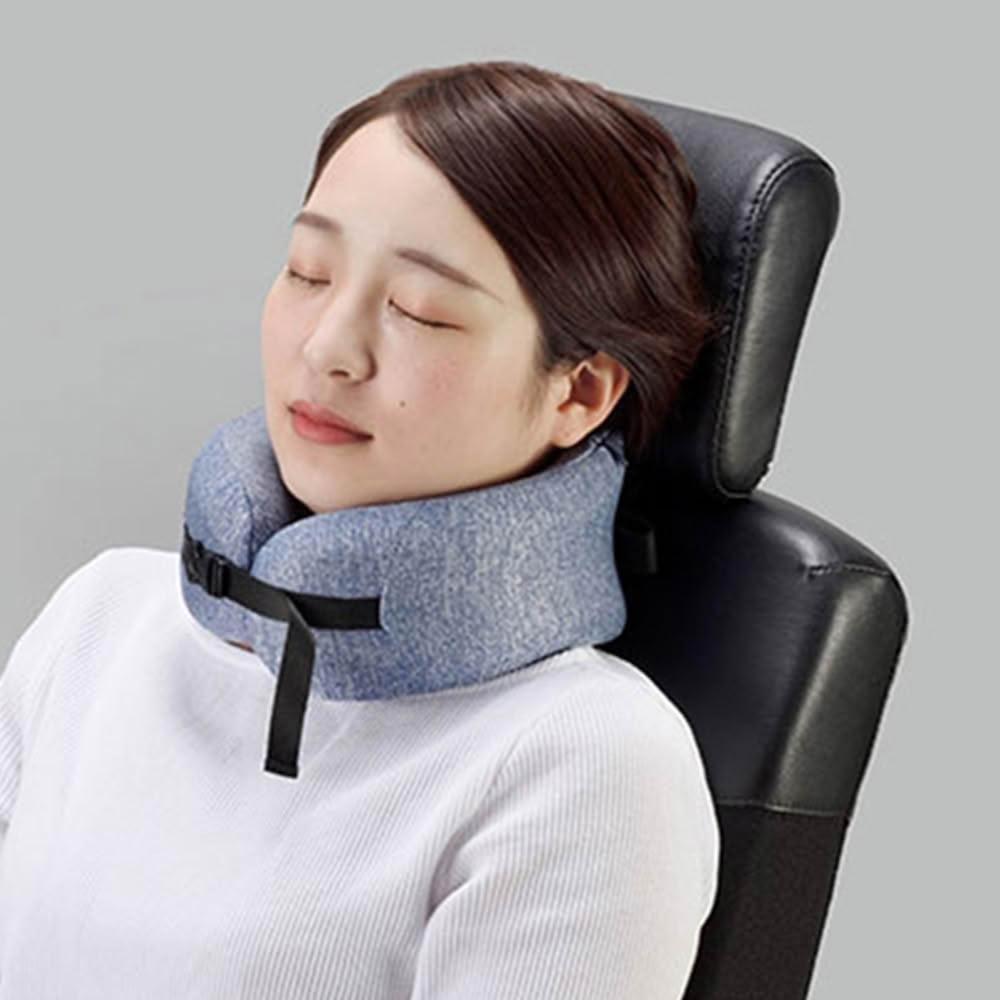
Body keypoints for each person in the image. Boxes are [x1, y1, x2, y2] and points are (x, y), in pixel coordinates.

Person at [0, 59, 723, 998]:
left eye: (420, 311)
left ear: (578, 392)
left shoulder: (585, 762)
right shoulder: (99, 620)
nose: (328, 347)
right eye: (309, 272)